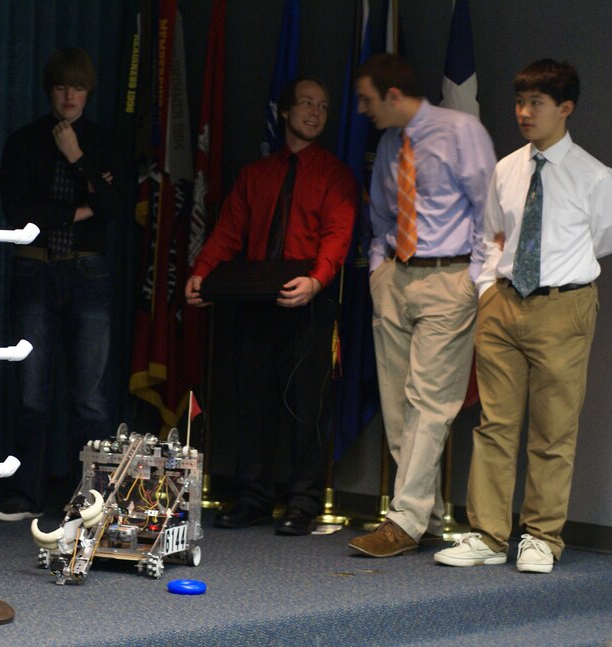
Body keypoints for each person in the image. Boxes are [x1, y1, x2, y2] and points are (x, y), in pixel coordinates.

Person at [435, 60, 612, 572]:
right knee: (495, 423)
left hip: (564, 305)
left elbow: (600, 241)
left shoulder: (595, 176)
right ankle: (488, 535)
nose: (524, 113)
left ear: (565, 108)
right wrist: (490, 288)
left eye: (536, 103)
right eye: (519, 103)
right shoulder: (507, 167)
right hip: (504, 303)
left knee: (554, 428)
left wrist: (558, 277)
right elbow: (495, 233)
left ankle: (541, 536)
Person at [185, 76, 357, 536]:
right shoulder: (256, 175)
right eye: (305, 103)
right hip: (257, 302)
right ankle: (253, 498)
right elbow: (227, 232)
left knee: (307, 408)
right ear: (284, 112)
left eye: (322, 106)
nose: (314, 112)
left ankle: (303, 501)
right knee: (253, 405)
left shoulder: (334, 174)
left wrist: (317, 280)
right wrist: (202, 272)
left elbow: (337, 235)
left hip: (309, 304)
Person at [348, 53, 496, 557]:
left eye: (368, 98)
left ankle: (403, 520)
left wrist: (472, 279)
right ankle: (425, 513)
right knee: (397, 407)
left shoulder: (460, 131)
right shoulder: (392, 143)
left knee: (430, 404)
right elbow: (382, 215)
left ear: (392, 95)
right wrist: (378, 270)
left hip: (447, 279)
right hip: (396, 277)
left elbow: (488, 210)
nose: (362, 108)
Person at [0, 48, 131, 521]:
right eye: (62, 87)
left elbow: (117, 207)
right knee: (32, 393)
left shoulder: (104, 143)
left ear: (89, 92)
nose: (70, 96)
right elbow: (21, 216)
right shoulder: (24, 141)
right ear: (51, 90)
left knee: (90, 396)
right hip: (34, 269)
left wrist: (78, 159)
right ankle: (27, 496)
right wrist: (85, 205)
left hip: (88, 272)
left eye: (78, 87)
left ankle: (94, 501)